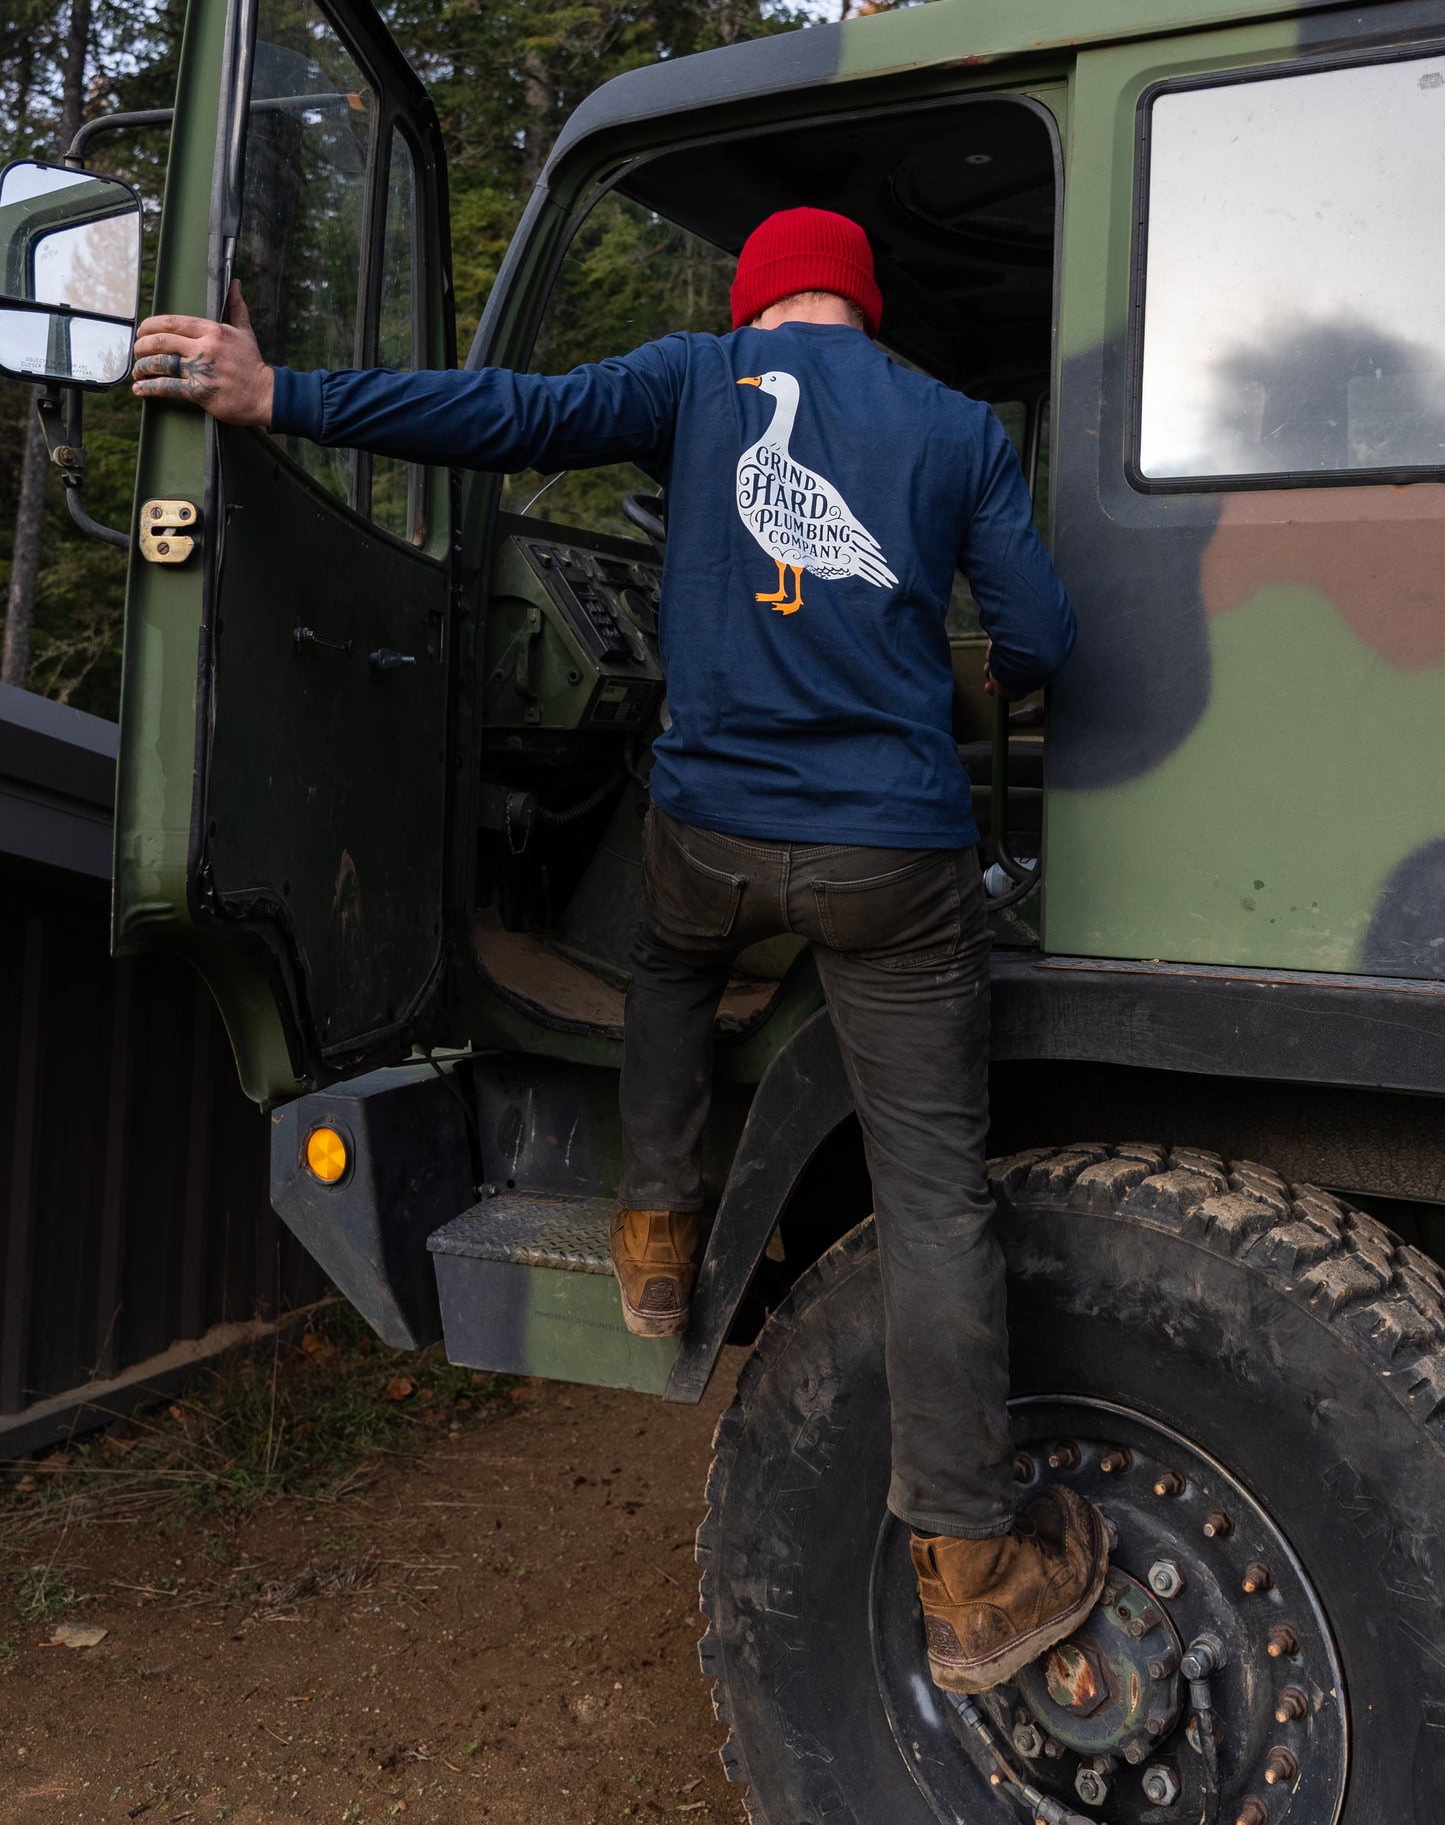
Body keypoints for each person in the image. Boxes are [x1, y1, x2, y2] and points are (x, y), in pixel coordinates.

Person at [132, 204, 1107, 1696]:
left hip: (710, 832)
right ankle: (973, 1573)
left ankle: (654, 1237)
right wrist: (972, 684)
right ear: (861, 305)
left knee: (662, 965)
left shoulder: (691, 381)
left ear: (757, 301)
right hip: (893, 862)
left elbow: (503, 416)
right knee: (932, 1199)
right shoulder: (953, 427)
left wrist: (281, 397)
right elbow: (1039, 635)